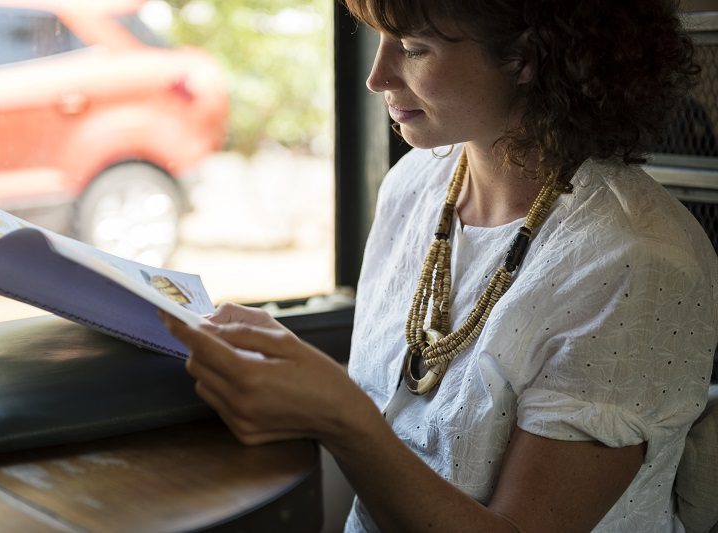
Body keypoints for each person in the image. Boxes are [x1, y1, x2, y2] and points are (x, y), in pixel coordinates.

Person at [160, 1, 718, 531]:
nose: (377, 77)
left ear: (525, 59)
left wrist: (341, 416)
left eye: (412, 48)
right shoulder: (415, 184)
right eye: (379, 41)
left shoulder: (637, 260)